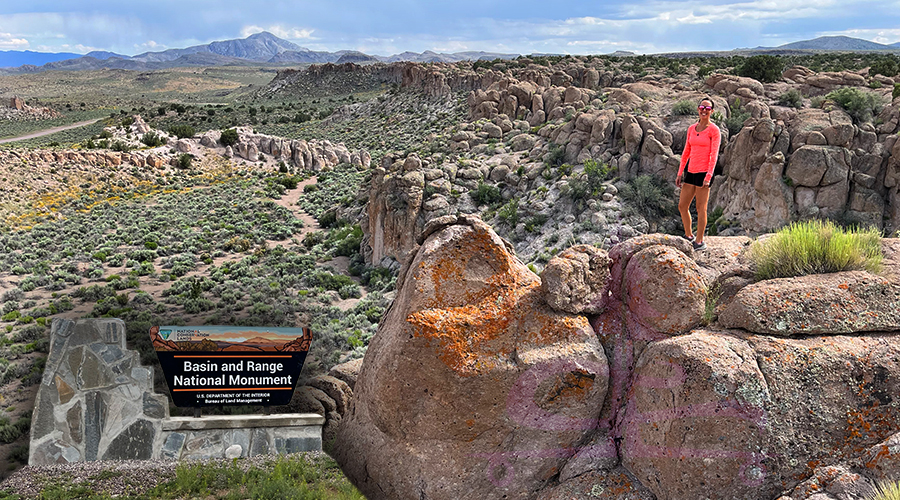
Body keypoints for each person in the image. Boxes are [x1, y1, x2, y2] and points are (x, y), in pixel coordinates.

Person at [675, 97, 721, 251]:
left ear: (712, 112)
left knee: (701, 208)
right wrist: (680, 172)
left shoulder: (714, 130)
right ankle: (689, 236)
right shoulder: (691, 129)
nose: (704, 110)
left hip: (704, 173)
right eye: (702, 107)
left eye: (708, 108)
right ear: (698, 109)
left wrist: (708, 176)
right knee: (682, 205)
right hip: (691, 171)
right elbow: (686, 151)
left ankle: (699, 241)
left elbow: (714, 155)